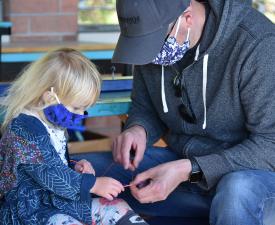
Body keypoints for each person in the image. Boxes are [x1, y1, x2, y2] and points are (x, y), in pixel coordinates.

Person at [81, 0, 275, 224]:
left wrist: (189, 170)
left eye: (153, 44)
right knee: (78, 174)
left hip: (250, 178)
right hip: (184, 170)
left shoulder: (258, 45)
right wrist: (138, 129)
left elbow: (271, 145)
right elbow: (145, 107)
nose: (150, 56)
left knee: (237, 191)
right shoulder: (155, 37)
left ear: (187, 17)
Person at [0, 48, 149, 225]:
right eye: (77, 107)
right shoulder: (25, 129)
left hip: (59, 203)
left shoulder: (53, 122)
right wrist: (92, 184)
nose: (82, 114)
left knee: (118, 207)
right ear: (49, 97)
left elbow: (52, 160)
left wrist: (74, 165)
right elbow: (50, 174)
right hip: (32, 213)